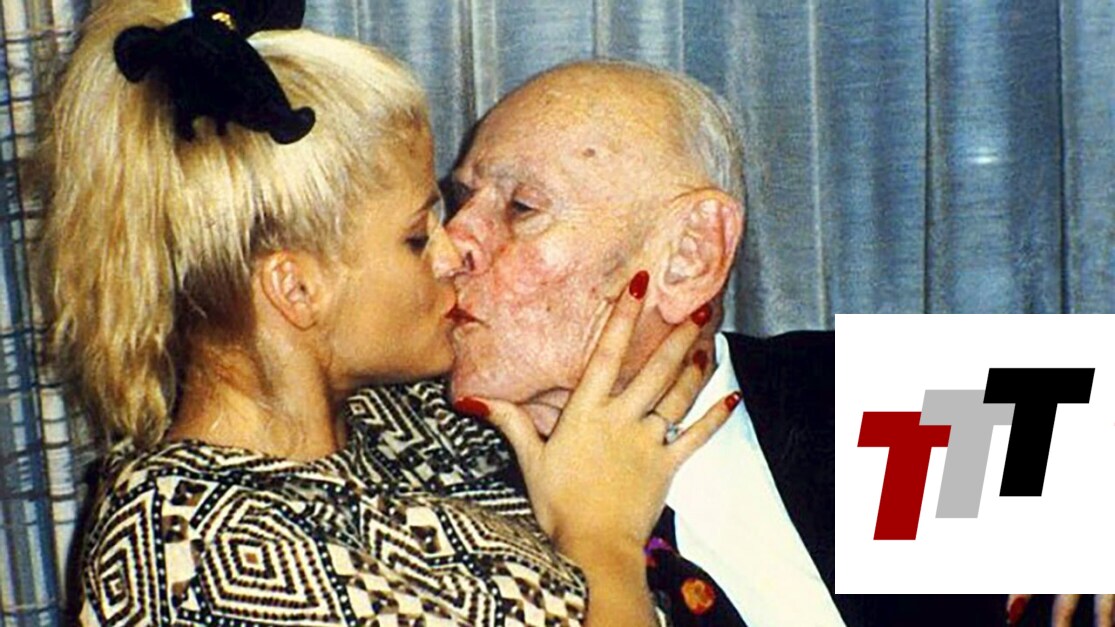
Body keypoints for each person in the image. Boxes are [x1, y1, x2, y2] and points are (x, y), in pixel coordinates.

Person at [38, 2, 729, 624]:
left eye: (519, 208)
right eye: (416, 237)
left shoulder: (403, 425)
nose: (454, 248)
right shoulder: (197, 550)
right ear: (296, 290)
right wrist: (602, 543)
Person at [426, 59, 1111, 627]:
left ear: (690, 256)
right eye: (459, 203)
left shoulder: (881, 402)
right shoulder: (422, 499)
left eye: (521, 207)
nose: (450, 245)